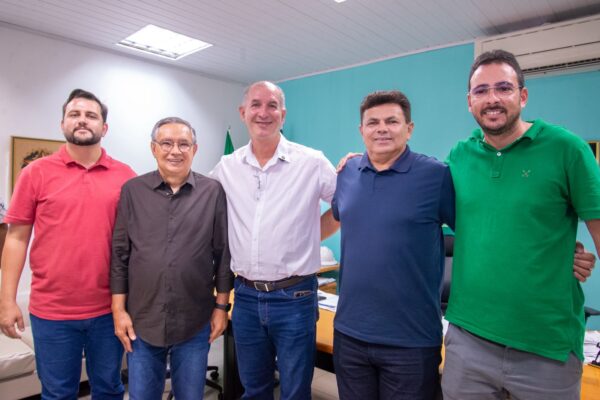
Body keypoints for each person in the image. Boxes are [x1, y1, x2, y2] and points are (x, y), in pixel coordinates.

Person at [442, 49, 600, 400]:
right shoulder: (459, 156)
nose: (492, 99)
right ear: (469, 102)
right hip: (468, 342)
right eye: (481, 91)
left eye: (503, 88)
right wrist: (363, 163)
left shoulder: (567, 149)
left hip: (545, 348)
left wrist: (567, 254)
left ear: (523, 96)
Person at [0, 89, 135, 399]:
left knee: (110, 389)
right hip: (52, 312)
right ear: (62, 124)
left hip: (110, 309)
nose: (82, 120)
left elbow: (137, 242)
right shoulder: (35, 173)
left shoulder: (125, 176)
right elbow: (16, 239)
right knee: (57, 393)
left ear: (104, 127)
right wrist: (6, 300)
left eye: (91, 115)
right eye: (74, 114)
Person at [210, 81, 339, 399]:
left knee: (295, 391)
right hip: (246, 296)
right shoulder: (228, 167)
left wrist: (310, 238)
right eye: (255, 105)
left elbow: (343, 208)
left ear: (283, 114)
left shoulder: (311, 162)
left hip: (295, 297)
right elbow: (199, 205)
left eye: (272, 105)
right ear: (243, 112)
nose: (263, 112)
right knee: (254, 389)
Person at [331, 90, 455, 400]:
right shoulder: (346, 172)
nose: (382, 129)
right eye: (373, 122)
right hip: (350, 334)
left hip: (411, 341)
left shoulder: (437, 176)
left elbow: (475, 231)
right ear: (362, 130)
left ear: (409, 129)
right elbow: (339, 216)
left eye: (392, 121)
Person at [111, 117, 233, 400]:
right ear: (153, 148)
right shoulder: (132, 191)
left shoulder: (212, 192)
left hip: (195, 319)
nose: (175, 151)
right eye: (166, 143)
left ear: (195, 149)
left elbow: (223, 254)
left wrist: (221, 307)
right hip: (142, 319)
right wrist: (118, 310)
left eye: (183, 144)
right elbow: (119, 255)